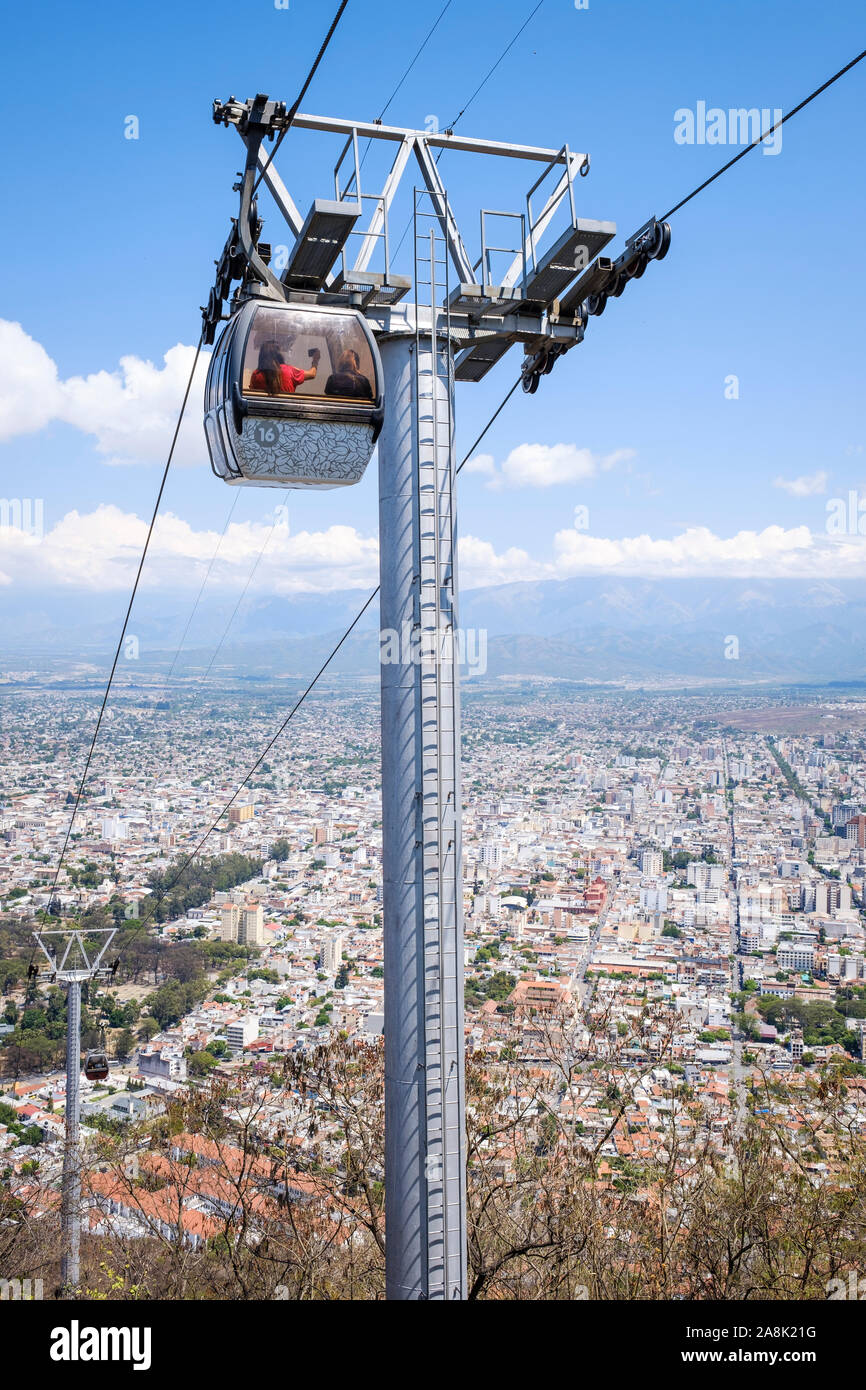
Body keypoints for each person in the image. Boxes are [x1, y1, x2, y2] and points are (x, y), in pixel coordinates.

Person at [250, 340, 320, 394]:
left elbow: (251, 394)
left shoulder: (256, 375)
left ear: (262, 356)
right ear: (278, 354)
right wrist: (315, 359)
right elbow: (312, 374)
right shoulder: (290, 371)